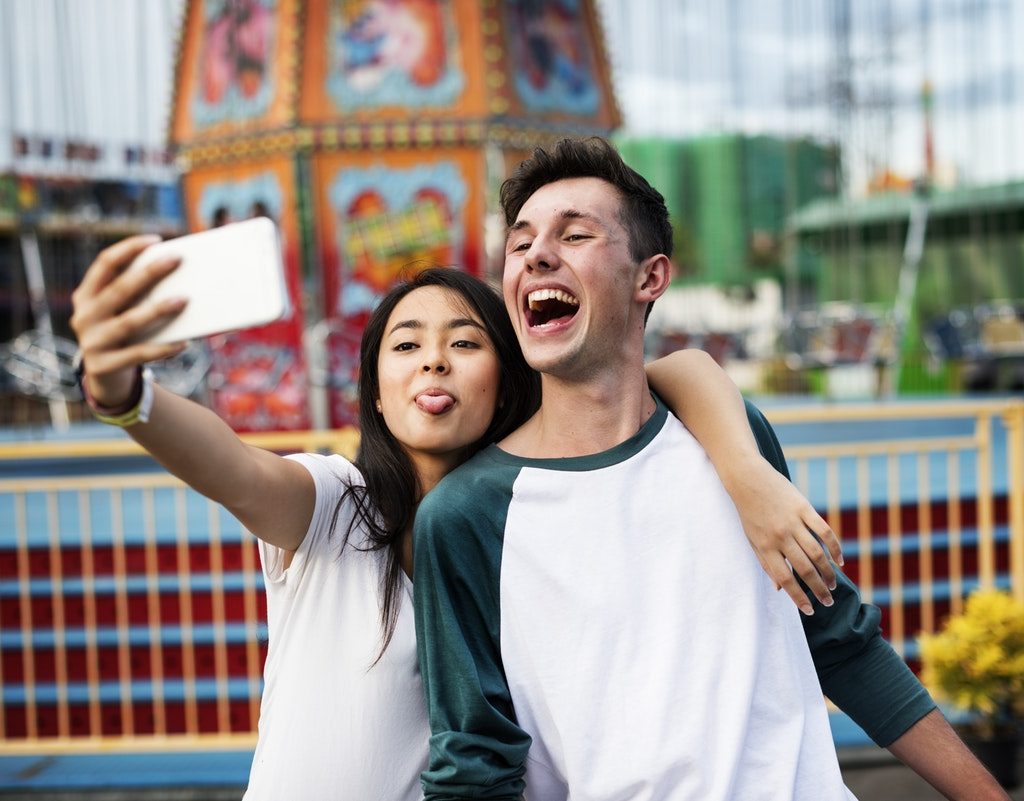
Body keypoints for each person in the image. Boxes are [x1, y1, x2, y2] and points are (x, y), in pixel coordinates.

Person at [69, 237, 839, 800]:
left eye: (465, 342)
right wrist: (123, 393)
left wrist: (744, 469)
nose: (433, 360)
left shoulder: (531, 529)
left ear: (508, 379)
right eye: (406, 345)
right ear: (375, 390)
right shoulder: (333, 506)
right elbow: (232, 466)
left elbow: (674, 373)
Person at [412, 138, 1010, 801]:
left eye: (574, 234)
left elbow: (838, 640)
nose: (536, 255)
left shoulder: (733, 445)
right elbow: (474, 761)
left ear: (651, 277)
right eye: (519, 244)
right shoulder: (467, 514)